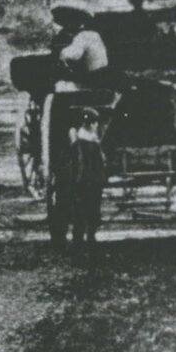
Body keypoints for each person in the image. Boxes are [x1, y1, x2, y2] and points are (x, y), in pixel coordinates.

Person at [61, 105, 107, 252]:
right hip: (89, 185)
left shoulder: (76, 143)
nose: (96, 126)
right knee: (90, 215)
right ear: (91, 124)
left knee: (80, 217)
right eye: (95, 123)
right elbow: (98, 165)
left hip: (80, 185)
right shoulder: (92, 144)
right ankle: (89, 245)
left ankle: (79, 247)